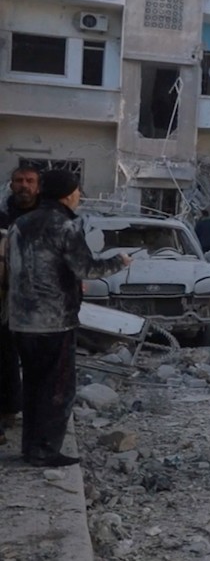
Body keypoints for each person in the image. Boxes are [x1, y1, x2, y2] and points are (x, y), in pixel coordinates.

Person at [6, 170, 132, 466]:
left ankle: (31, 448)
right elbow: (86, 269)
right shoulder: (66, 226)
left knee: (33, 385)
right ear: (67, 194)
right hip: (54, 322)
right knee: (57, 389)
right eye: (77, 192)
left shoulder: (20, 224)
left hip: (20, 320)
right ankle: (46, 450)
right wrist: (119, 261)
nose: (79, 197)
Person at [0, 165, 40, 444]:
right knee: (5, 356)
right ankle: (8, 410)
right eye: (19, 180)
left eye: (29, 181)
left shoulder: (48, 217)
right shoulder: (4, 217)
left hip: (39, 303)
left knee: (37, 362)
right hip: (6, 299)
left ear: (38, 186)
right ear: (11, 184)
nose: (24, 185)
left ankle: (37, 419)